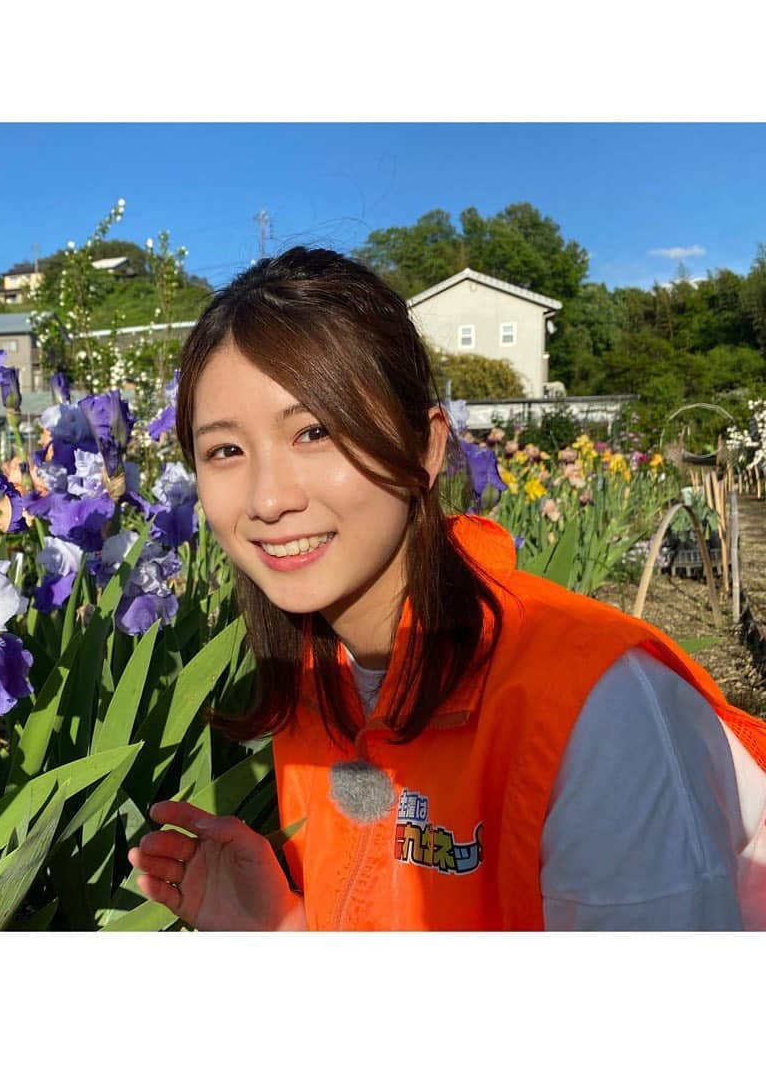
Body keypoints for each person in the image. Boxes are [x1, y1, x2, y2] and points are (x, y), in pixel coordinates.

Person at [128, 246, 766, 931]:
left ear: (428, 447)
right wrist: (281, 928)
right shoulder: (317, 682)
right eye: (226, 450)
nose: (268, 498)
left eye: (315, 431)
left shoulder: (597, 711)